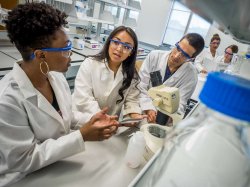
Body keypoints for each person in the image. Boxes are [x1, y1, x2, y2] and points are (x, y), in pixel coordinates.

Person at [0, 3, 118, 186]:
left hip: (55, 166)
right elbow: (23, 159)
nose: (70, 55)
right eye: (65, 49)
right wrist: (82, 136)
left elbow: (66, 117)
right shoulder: (7, 100)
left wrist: (92, 120)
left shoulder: (54, 76)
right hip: (22, 178)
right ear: (41, 55)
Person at [72, 26, 146, 126]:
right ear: (109, 43)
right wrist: (103, 118)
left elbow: (131, 100)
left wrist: (134, 114)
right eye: (116, 42)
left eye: (126, 47)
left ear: (131, 53)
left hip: (109, 125)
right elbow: (84, 99)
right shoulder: (90, 64)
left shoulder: (131, 75)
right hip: (83, 121)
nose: (119, 49)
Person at [139, 33, 205, 124]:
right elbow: (140, 86)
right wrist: (149, 108)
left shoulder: (191, 76)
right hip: (140, 109)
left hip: (161, 120)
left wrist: (167, 117)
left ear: (191, 58)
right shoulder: (154, 56)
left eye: (184, 55)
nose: (177, 56)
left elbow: (180, 104)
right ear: (177, 43)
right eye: (178, 48)